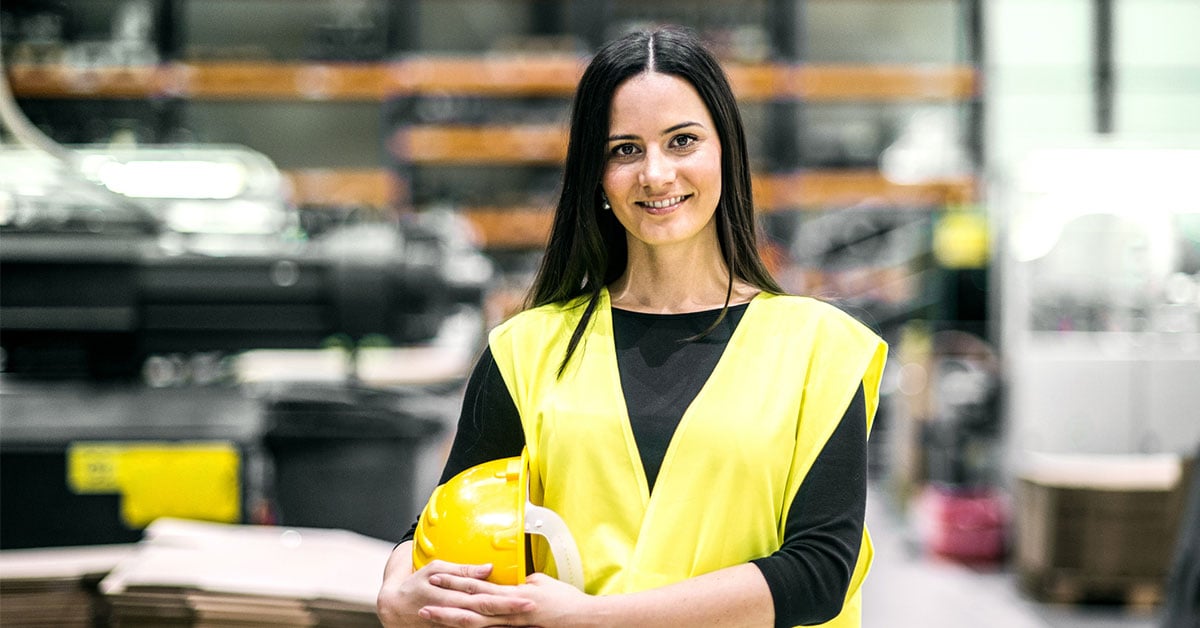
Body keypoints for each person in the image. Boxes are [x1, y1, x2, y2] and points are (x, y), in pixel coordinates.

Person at [377, 25, 886, 628]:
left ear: (726, 151)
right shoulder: (526, 349)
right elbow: (443, 524)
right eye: (625, 149)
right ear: (596, 176)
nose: (656, 173)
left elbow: (820, 571)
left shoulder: (821, 349)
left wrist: (594, 618)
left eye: (682, 141)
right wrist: (395, 584)